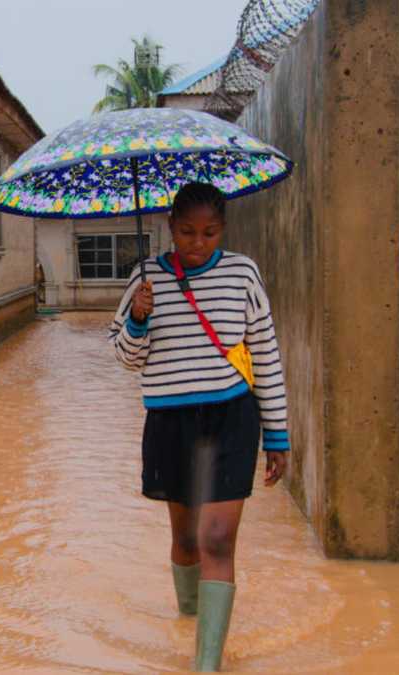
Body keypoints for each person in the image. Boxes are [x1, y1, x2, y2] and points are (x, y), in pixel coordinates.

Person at [108, 182, 290, 672]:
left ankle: (205, 664)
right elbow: (126, 360)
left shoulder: (242, 274)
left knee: (215, 539)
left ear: (223, 229)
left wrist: (277, 434)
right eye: (187, 232)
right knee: (186, 539)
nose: (197, 243)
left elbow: (265, 354)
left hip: (231, 418)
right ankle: (189, 622)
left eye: (209, 232)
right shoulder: (143, 280)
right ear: (170, 228)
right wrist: (139, 321)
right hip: (170, 422)